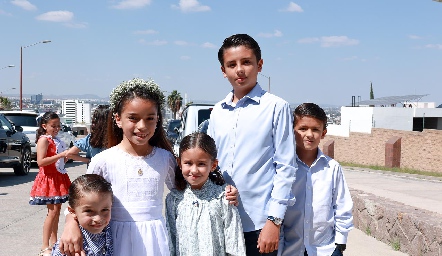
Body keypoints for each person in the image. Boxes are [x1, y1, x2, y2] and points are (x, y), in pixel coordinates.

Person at [59, 78, 238, 255]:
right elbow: (82, 198)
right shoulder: (103, 160)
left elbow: (188, 191)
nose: (142, 126)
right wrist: (70, 224)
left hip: (156, 241)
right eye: (133, 118)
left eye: (149, 118)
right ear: (118, 119)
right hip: (115, 239)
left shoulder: (165, 158)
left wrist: (223, 192)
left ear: (158, 119)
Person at [208, 34, 297, 255]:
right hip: (221, 218)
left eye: (246, 62)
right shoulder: (217, 111)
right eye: (232, 64)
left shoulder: (276, 107)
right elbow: (209, 164)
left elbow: (286, 167)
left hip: (259, 224)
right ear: (223, 70)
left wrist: (273, 222)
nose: (239, 69)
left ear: (259, 65)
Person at [279, 103, 353, 256]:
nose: (309, 134)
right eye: (303, 128)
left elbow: (342, 206)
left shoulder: (332, 168)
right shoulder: (282, 167)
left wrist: (340, 244)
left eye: (315, 130)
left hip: (325, 249)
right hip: (289, 248)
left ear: (323, 133)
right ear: (292, 131)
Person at [165, 132, 246, 256]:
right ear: (179, 163)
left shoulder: (224, 198)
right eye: (188, 163)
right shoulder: (174, 199)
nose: (194, 170)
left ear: (213, 165)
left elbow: (235, 244)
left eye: (201, 164)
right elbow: (171, 241)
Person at [29, 112, 71, 256]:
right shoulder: (44, 140)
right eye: (53, 126)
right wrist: (60, 155)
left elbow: (58, 161)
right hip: (49, 179)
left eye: (58, 126)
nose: (56, 128)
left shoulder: (56, 140)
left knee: (57, 211)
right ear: (44, 126)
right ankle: (44, 246)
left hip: (58, 177)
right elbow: (40, 162)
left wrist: (65, 157)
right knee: (52, 212)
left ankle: (54, 243)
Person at [52, 174, 113, 256]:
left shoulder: (110, 230)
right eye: (89, 211)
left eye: (105, 210)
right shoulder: (68, 246)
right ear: (73, 212)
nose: (98, 218)